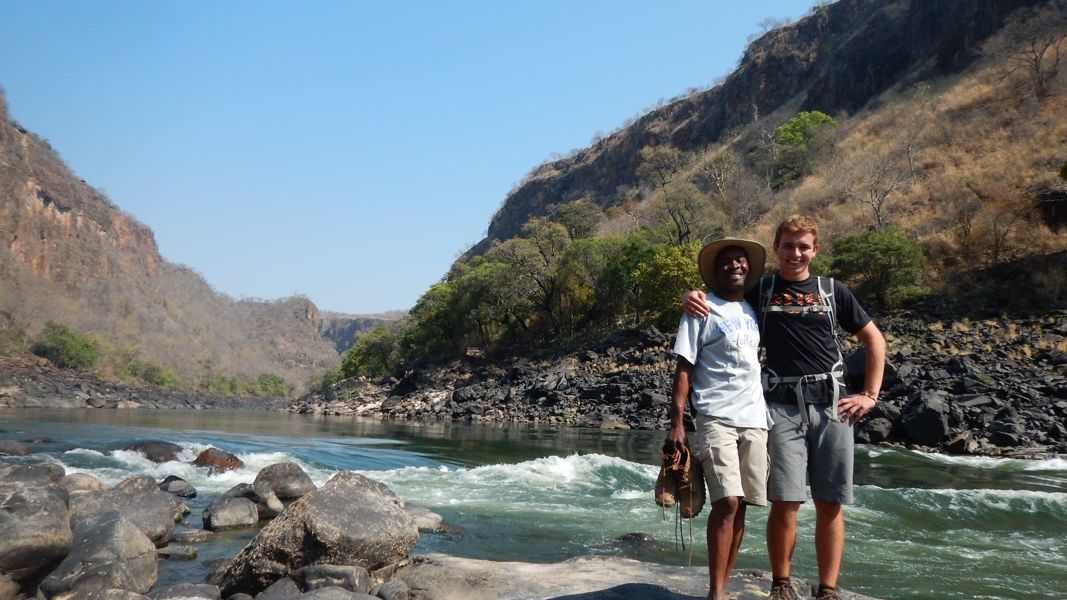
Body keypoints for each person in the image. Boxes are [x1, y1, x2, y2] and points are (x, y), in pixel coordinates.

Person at [682, 215, 885, 600]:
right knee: (786, 500)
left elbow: (874, 339)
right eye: (788, 246)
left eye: (803, 246)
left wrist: (870, 395)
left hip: (833, 406)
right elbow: (724, 294)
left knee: (830, 502)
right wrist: (691, 295)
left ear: (815, 249)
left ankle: (827, 589)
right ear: (776, 248)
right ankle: (781, 583)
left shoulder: (833, 291)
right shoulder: (761, 290)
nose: (796, 253)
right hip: (780, 407)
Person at [667, 236, 770, 600]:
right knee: (726, 501)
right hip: (715, 415)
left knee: (742, 504)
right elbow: (684, 367)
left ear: (749, 267)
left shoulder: (757, 307)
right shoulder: (701, 309)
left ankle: (724, 586)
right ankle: (715, 592)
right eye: (726, 261)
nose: (734, 265)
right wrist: (677, 422)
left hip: (755, 418)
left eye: (740, 260)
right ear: (715, 270)